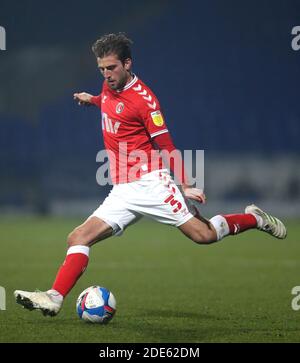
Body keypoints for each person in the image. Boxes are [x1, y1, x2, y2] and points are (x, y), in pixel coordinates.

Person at [14, 33, 287, 317]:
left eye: (112, 68)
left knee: (203, 235)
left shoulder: (146, 101)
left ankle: (253, 218)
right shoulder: (108, 86)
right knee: (77, 238)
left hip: (152, 184)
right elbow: (110, 103)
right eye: (102, 69)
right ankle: (54, 297)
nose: (107, 75)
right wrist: (92, 99)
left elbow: (166, 145)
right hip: (122, 189)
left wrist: (185, 184)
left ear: (127, 63)